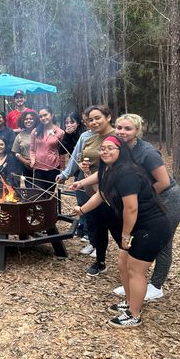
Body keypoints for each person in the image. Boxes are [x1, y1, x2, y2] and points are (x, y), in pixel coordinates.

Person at [74, 114, 180, 301]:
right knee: (141, 239)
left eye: (128, 129)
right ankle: (137, 279)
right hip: (146, 200)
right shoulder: (119, 148)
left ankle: (156, 286)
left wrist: (138, 198)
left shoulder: (147, 153)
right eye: (119, 128)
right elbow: (106, 172)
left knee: (162, 243)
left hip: (167, 199)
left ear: (137, 131)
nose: (122, 132)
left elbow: (164, 182)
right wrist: (81, 182)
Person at [74, 136, 173, 328]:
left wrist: (125, 235)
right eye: (103, 148)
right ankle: (129, 302)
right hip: (138, 227)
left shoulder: (127, 173)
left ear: (121, 151)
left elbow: (131, 209)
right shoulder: (108, 171)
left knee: (135, 270)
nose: (105, 151)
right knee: (123, 263)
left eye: (111, 148)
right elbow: (101, 195)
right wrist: (82, 209)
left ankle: (134, 314)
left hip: (152, 227)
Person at [70, 105, 116, 276]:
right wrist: (84, 168)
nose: (94, 122)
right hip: (91, 191)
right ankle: (100, 261)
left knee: (118, 231)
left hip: (111, 194)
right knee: (97, 227)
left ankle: (131, 266)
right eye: (90, 120)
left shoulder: (117, 138)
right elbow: (83, 159)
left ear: (108, 117)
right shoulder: (90, 138)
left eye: (98, 118)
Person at [56, 111, 91, 238]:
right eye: (66, 123)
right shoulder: (70, 135)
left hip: (90, 171)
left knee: (88, 201)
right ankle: (82, 228)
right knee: (81, 200)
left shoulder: (85, 135)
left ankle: (88, 232)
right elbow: (61, 151)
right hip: (78, 171)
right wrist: (67, 135)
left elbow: (79, 154)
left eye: (72, 122)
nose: (69, 124)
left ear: (78, 122)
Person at [29, 107, 64, 192]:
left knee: (50, 194)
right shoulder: (35, 131)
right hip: (38, 168)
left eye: (45, 115)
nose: (43, 118)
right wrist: (32, 159)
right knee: (38, 194)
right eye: (41, 116)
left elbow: (62, 153)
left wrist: (63, 171)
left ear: (52, 115)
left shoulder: (60, 132)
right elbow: (32, 149)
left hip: (53, 168)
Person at [12, 111, 39, 187]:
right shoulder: (19, 136)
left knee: (40, 190)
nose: (28, 121)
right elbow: (16, 152)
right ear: (22, 121)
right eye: (26, 119)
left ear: (35, 120)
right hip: (26, 167)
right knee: (29, 189)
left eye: (31, 119)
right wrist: (25, 162)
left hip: (40, 167)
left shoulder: (40, 133)